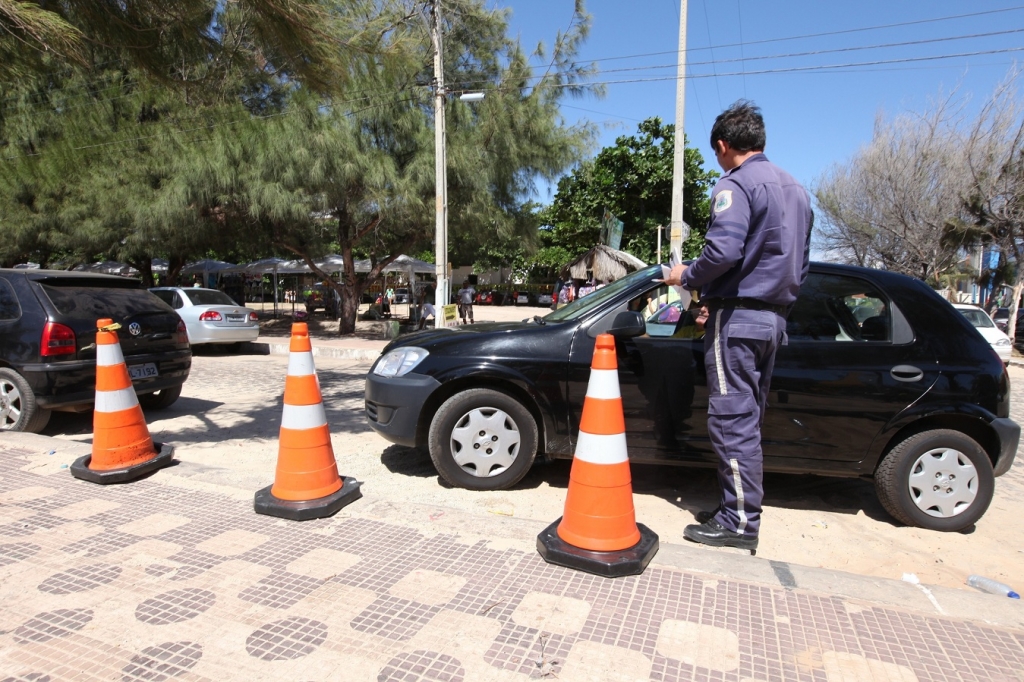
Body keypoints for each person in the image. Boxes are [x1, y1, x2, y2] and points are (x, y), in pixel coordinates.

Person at [664, 100, 813, 551]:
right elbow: (802, 266)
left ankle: (739, 522)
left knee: (732, 422)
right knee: (747, 422)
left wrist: (686, 276)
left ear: (723, 145)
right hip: (773, 320)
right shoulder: (796, 189)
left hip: (738, 320)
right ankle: (737, 510)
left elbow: (723, 251)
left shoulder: (735, 184)